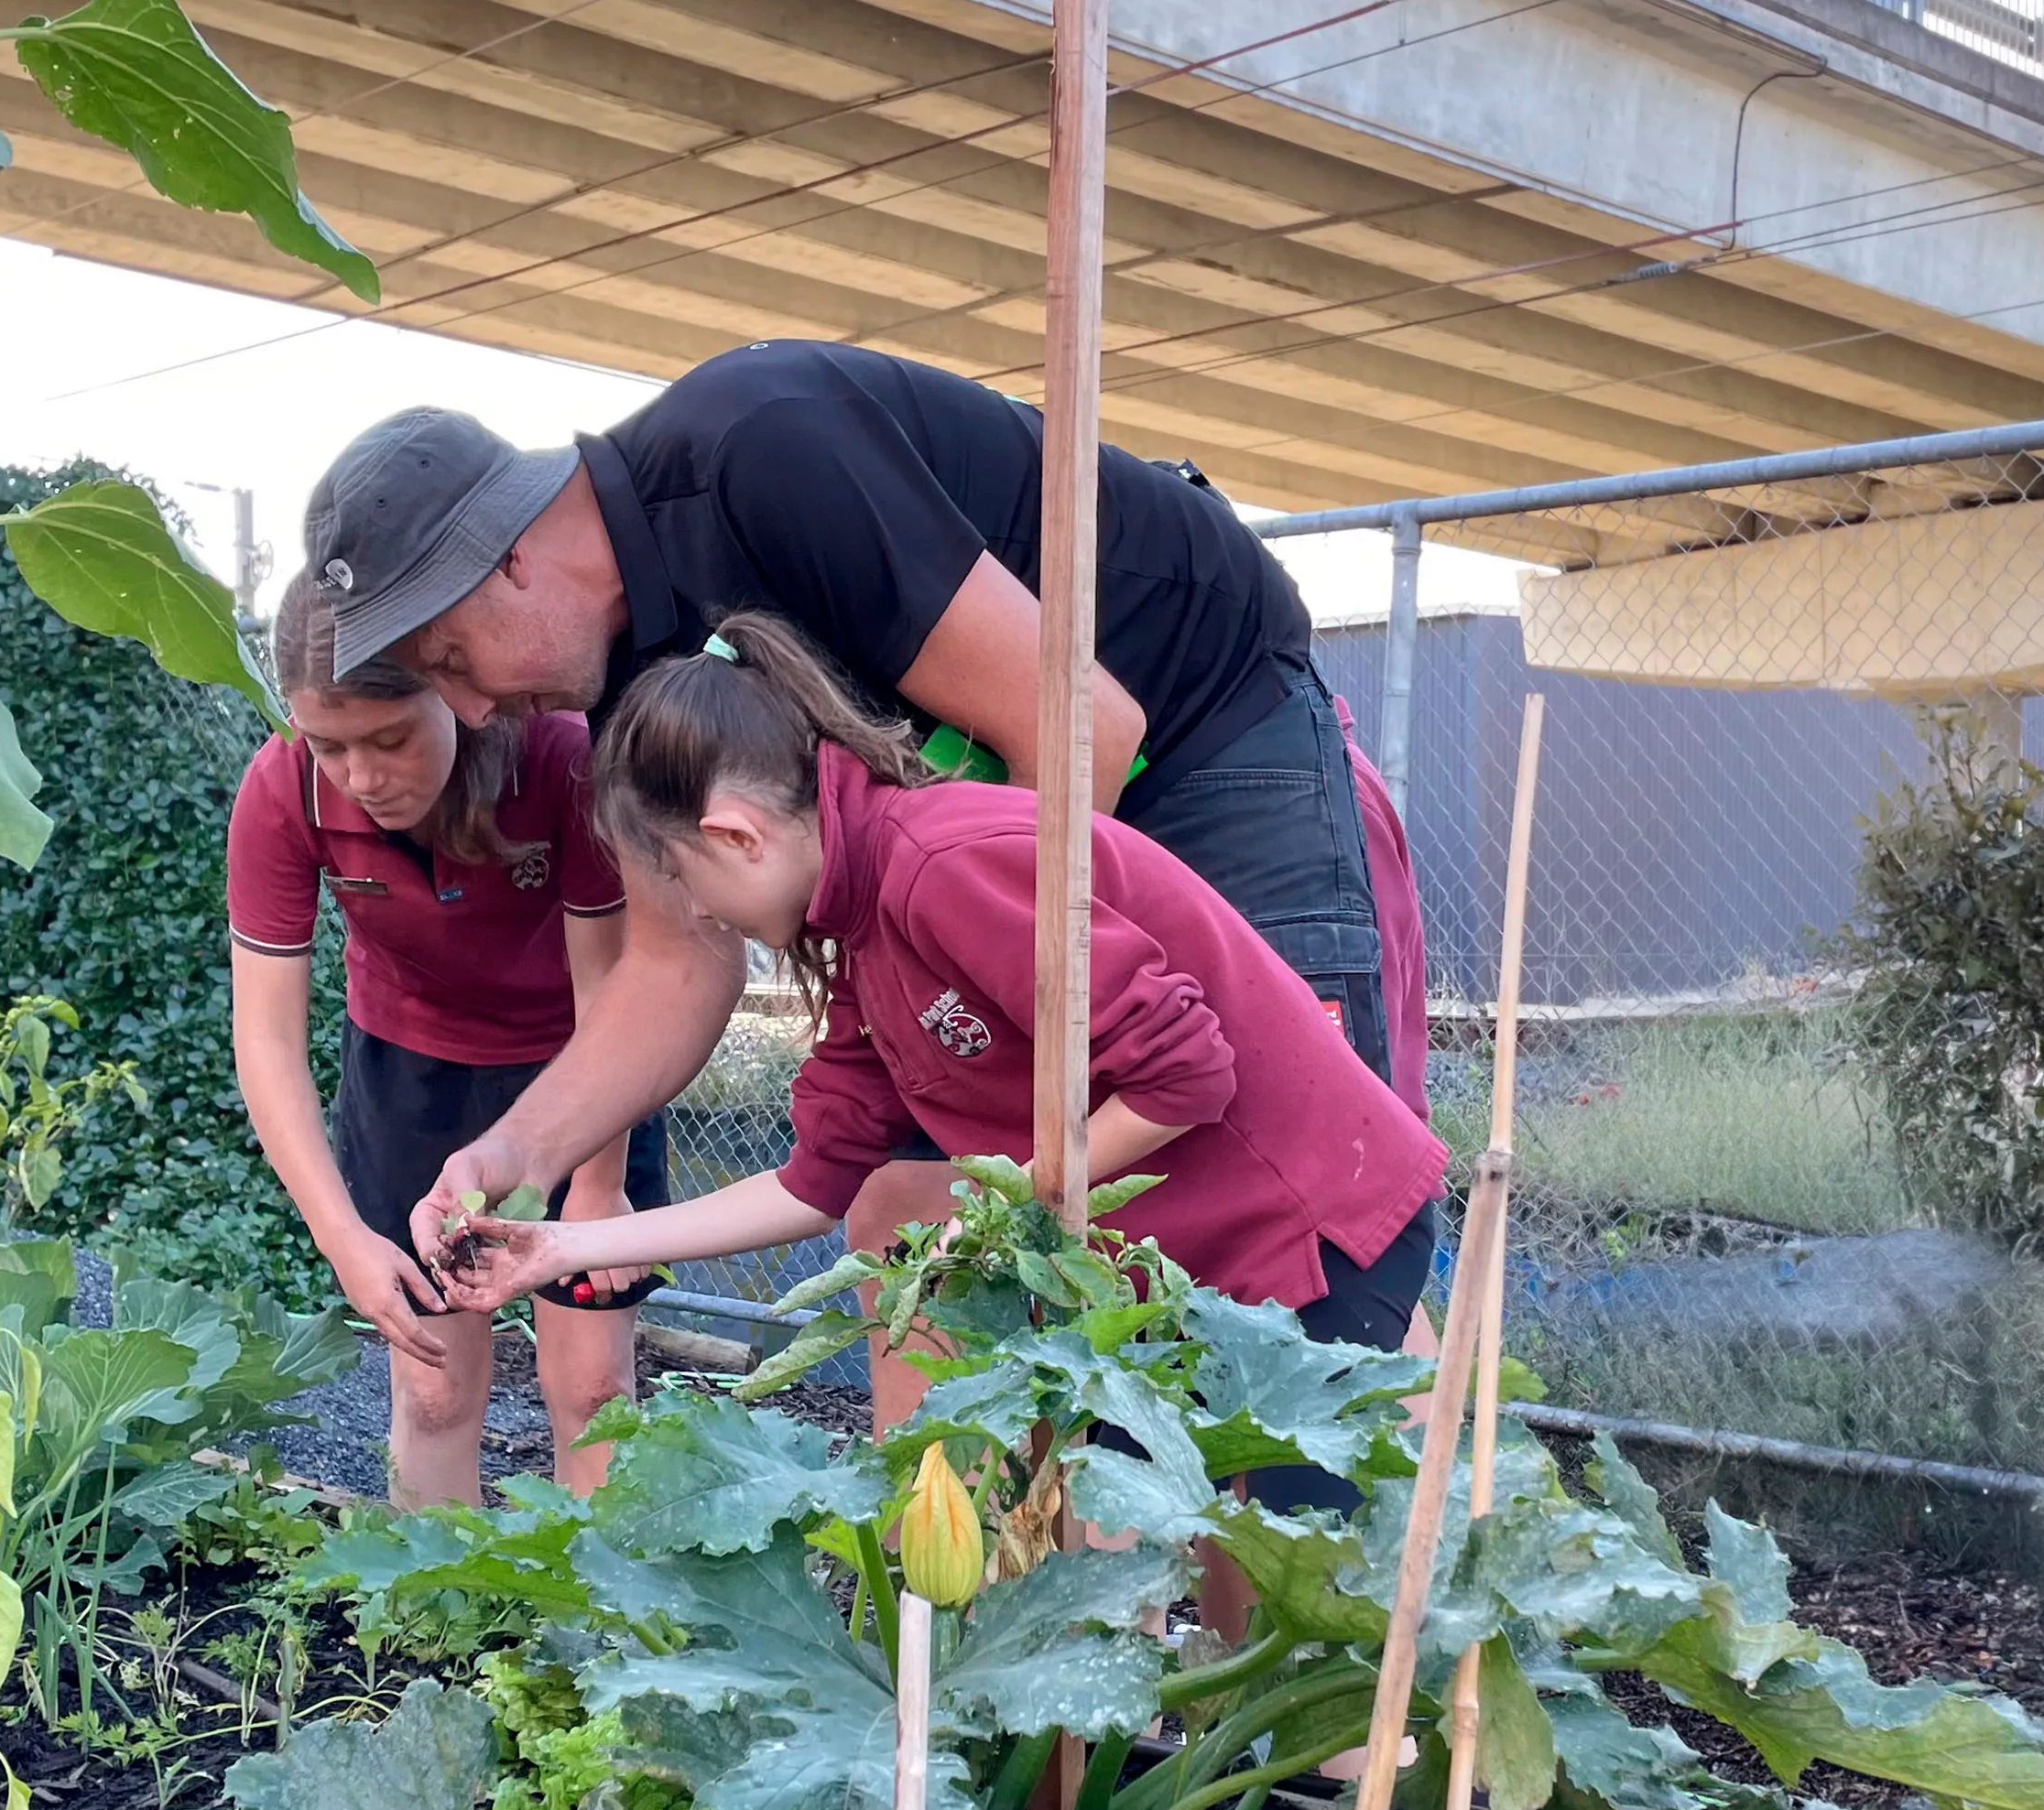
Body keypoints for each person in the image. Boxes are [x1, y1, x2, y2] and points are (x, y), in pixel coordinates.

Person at [289, 341, 1433, 1415]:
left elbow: (1083, 726)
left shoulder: (759, 449)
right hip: (1006, 851)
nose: (477, 710)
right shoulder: (626, 678)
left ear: (512, 561)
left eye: (451, 660)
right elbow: (675, 962)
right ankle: (1032, 1610)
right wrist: (513, 1159)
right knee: (920, 1221)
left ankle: (1462, 1568)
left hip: (1202, 730)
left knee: (1311, 1236)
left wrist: (969, 1013)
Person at [432, 612, 1448, 1548]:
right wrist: (561, 1245)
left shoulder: (945, 864)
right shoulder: (865, 924)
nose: (703, 920)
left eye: (686, 885)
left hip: (1310, 1229)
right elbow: (814, 1182)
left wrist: (1016, 1203)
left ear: (738, 834)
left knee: (1311, 1604)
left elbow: (1185, 1073)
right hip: (1199, 1264)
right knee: (1162, 1548)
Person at [224, 586, 669, 1508]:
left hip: (577, 1083)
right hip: (410, 1080)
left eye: (389, 739)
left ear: (457, 696)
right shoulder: (281, 789)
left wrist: (594, 1192)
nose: (361, 775)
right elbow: (266, 1038)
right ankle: (441, 1629)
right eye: (330, 745)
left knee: (592, 1391)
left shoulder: (561, 756)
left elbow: (611, 999)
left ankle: (600, 1638)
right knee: (431, 1391)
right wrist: (342, 1235)